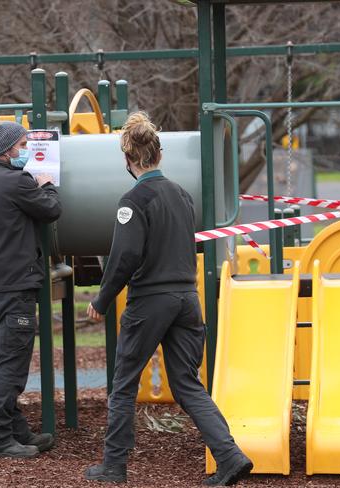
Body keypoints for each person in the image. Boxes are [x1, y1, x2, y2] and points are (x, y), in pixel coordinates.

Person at [84, 112, 252, 486]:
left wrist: (103, 298)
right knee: (187, 383)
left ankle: (113, 465)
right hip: (186, 299)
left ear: (128, 161)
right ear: (159, 155)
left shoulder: (133, 200)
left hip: (150, 302)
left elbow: (124, 257)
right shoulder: (182, 195)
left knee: (124, 382)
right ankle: (229, 456)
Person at [0, 121, 61, 459]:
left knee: (3, 363)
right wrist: (47, 185)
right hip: (15, 287)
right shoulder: (17, 182)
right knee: (11, 368)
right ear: (6, 150)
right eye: (21, 147)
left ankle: (17, 431)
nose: (24, 153)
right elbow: (51, 210)